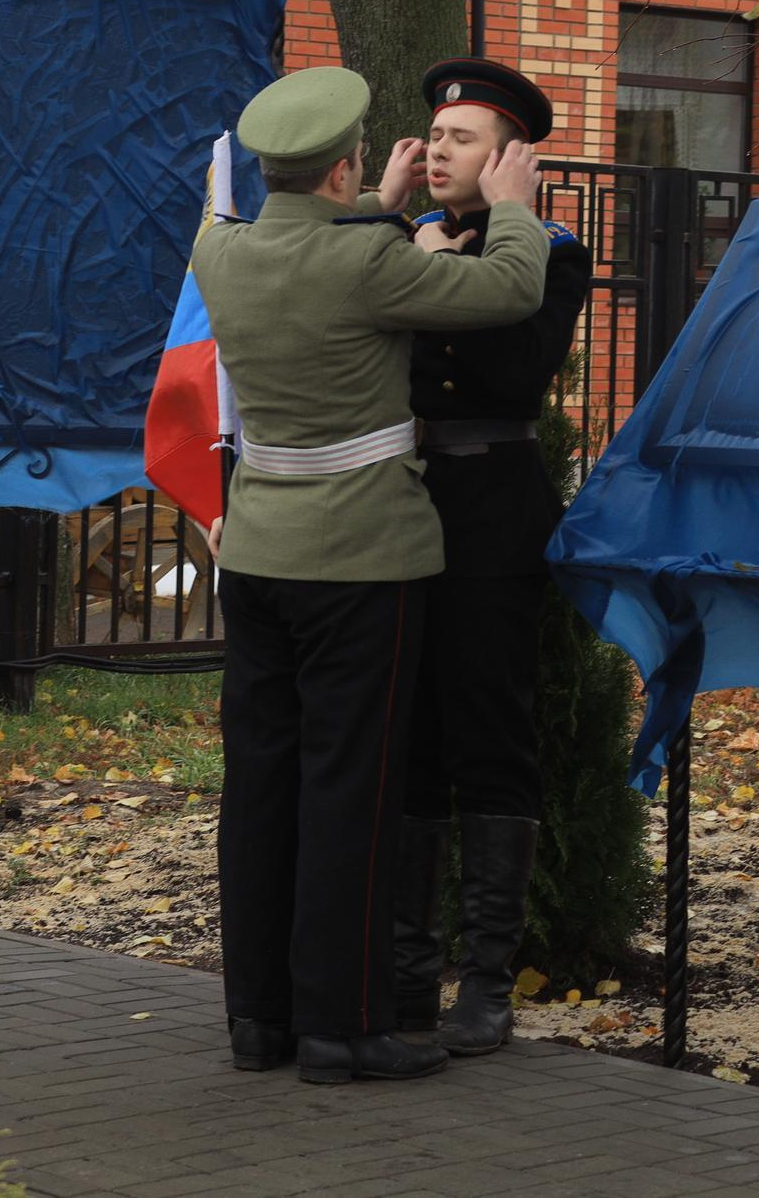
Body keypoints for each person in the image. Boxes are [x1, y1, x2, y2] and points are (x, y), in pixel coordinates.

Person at [193, 65, 548, 1086]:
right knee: (350, 793)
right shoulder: (372, 262)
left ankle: (257, 1022)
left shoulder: (220, 249)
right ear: (347, 161)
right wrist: (514, 211)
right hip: (357, 561)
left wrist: (372, 211)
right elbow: (508, 287)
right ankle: (345, 1029)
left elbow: (315, 244)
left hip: (256, 553)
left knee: (260, 792)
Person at [385, 59, 591, 1056]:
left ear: (511, 158)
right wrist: (398, 232)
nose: (437, 154)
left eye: (461, 139)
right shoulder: (395, 242)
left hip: (491, 515)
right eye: (434, 136)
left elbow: (510, 368)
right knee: (409, 737)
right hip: (397, 507)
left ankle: (488, 983)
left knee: (488, 735)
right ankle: (409, 970)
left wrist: (435, 255)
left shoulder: (553, 252)